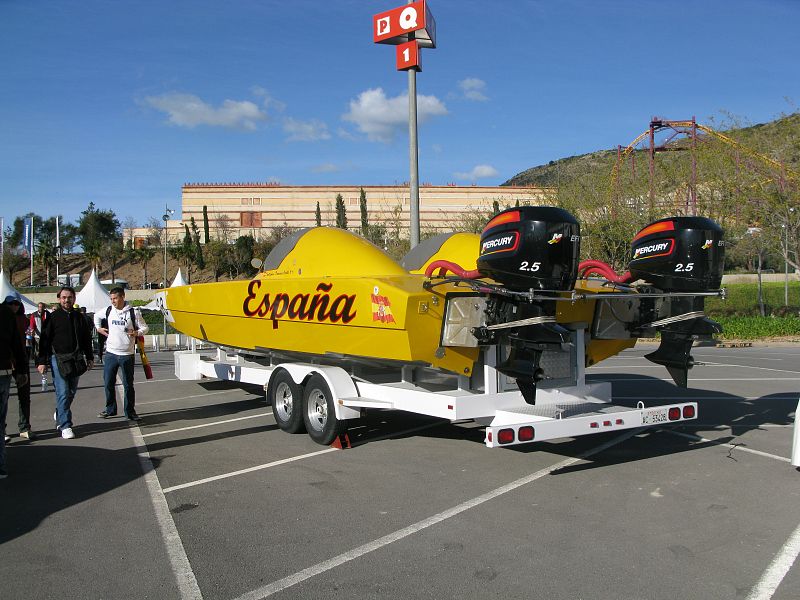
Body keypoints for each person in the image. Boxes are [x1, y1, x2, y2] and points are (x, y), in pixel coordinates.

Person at [36, 287, 94, 440]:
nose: (66, 300)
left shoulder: (80, 317)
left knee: (71, 392)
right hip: (58, 359)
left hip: (76, 359)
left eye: (69, 297)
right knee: (62, 392)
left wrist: (90, 357)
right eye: (63, 297)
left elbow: (87, 339)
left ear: (74, 299)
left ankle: (60, 412)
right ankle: (65, 425)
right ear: (58, 299)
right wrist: (42, 361)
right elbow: (44, 340)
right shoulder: (52, 317)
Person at [94, 287, 147, 421]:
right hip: (111, 353)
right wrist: (99, 328)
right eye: (111, 299)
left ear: (123, 297)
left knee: (128, 385)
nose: (113, 301)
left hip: (127, 354)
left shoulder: (133, 312)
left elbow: (145, 328)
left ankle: (130, 412)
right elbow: (96, 316)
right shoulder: (108, 310)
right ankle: (110, 409)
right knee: (108, 383)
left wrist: (136, 333)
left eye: (115, 298)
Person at [1, 298, 28, 479]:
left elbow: (17, 344)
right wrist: (22, 370)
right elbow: (16, 344)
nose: (14, 307)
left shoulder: (6, 314)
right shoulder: (6, 314)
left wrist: (21, 370)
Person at [3, 296, 34, 441]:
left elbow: (25, 339)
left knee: (24, 395)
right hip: (6, 362)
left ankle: (24, 427)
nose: (14, 306)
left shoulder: (24, 319)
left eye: (16, 303)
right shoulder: (4, 317)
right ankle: (2, 429)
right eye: (10, 303)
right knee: (4, 397)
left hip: (21, 360)